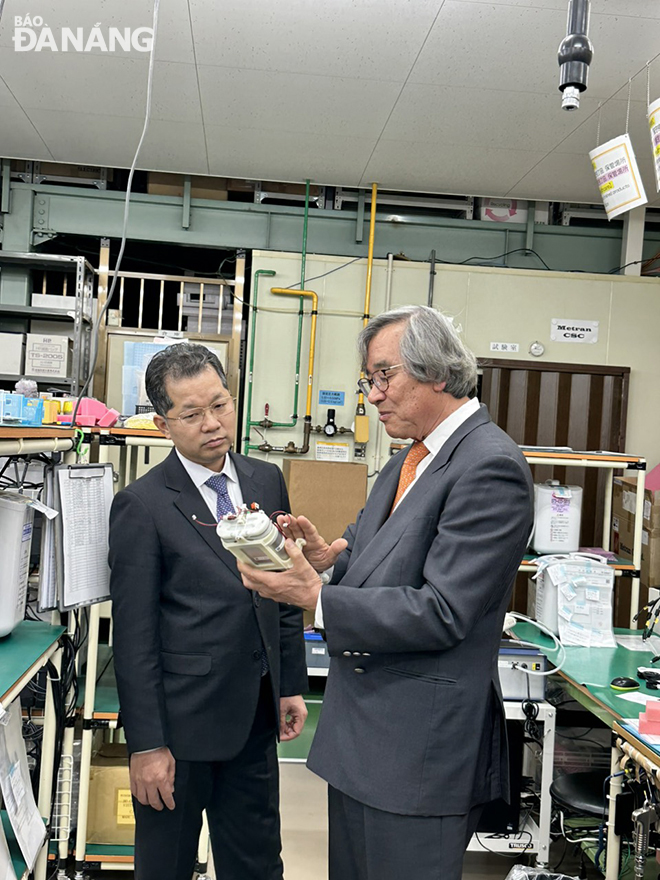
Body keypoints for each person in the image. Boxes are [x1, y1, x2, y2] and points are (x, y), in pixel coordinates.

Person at [238, 305, 534, 880]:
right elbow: (367, 546)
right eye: (367, 381)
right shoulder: (410, 460)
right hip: (363, 742)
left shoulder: (488, 466)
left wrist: (315, 599)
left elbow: (443, 611)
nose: (372, 396)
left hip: (417, 752)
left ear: (439, 375)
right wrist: (327, 562)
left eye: (384, 377)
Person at [108, 343, 308, 880]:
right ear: (162, 423)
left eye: (220, 405)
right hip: (180, 727)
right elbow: (133, 636)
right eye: (192, 414)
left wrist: (290, 682)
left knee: (257, 863)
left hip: (255, 718)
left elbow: (285, 588)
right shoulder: (143, 505)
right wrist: (146, 745)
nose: (213, 424)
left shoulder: (266, 479)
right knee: (167, 866)